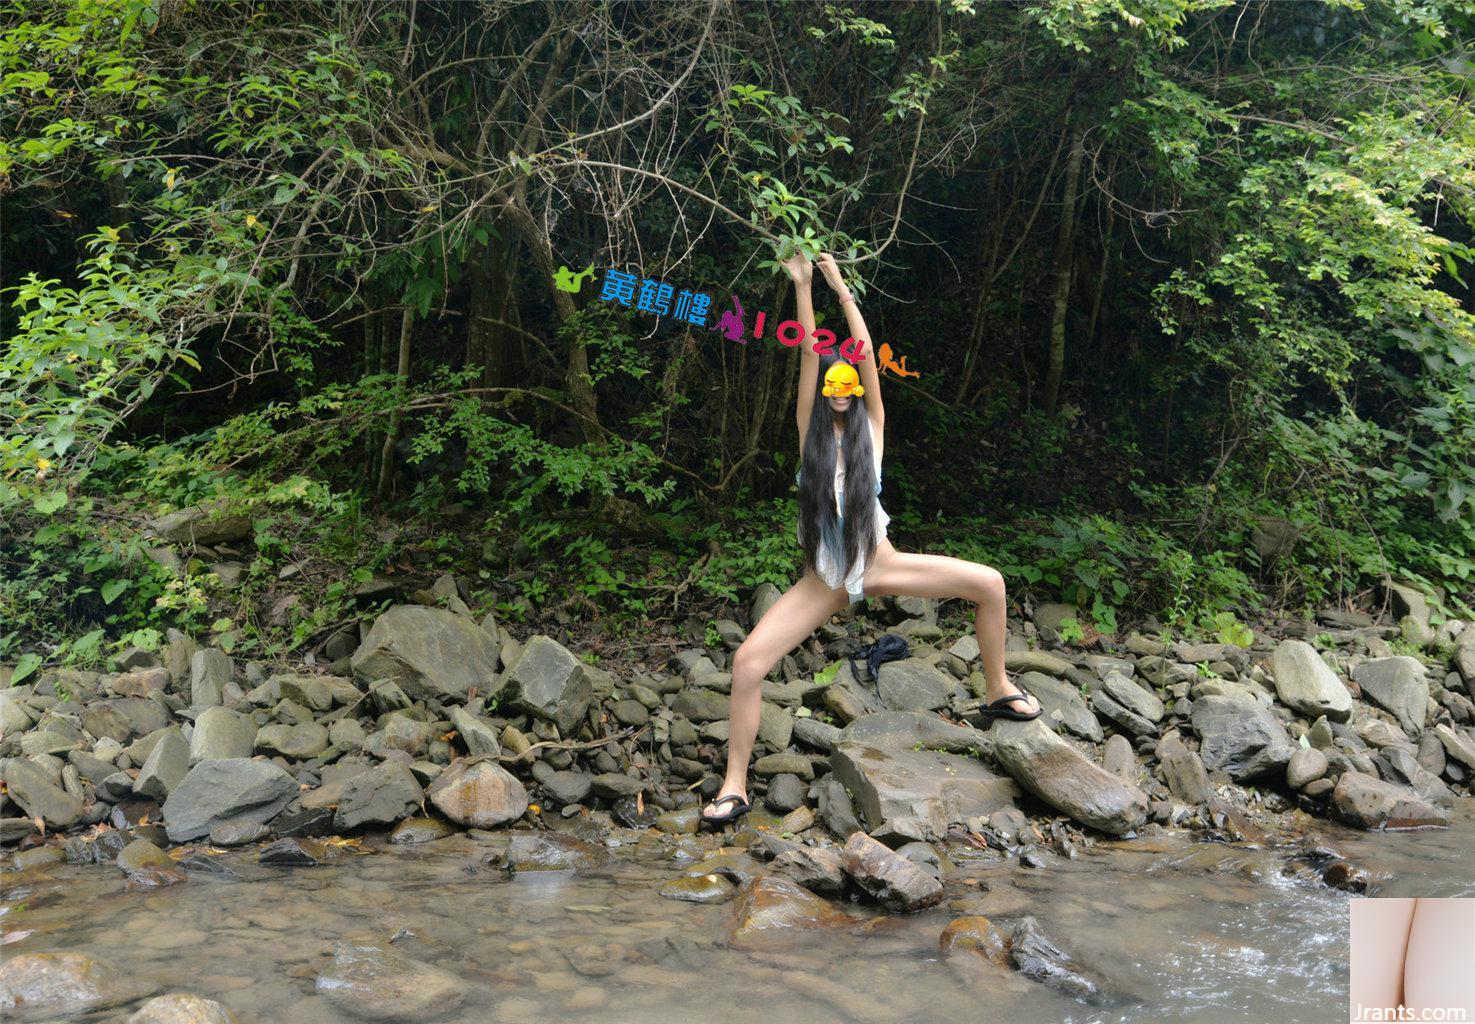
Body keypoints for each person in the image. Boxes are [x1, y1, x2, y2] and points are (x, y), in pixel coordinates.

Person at [699, 250, 1042, 827]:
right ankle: (736, 784)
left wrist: (843, 291)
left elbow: (864, 360)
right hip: (825, 580)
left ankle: (998, 687)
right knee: (748, 662)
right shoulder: (811, 434)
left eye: (847, 380)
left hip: (880, 564)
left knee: (991, 584)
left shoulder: (873, 433)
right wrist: (804, 288)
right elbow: (811, 353)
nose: (838, 385)